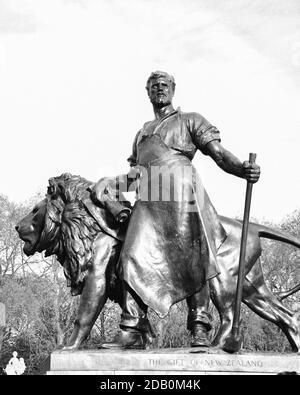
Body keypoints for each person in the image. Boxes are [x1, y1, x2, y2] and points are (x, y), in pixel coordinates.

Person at [93, 71, 260, 349]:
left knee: (195, 258)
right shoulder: (142, 133)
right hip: (149, 200)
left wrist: (242, 169)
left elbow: (218, 154)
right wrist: (112, 183)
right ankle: (132, 328)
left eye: (164, 85)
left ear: (173, 90)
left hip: (184, 194)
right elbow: (135, 175)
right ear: (147, 93)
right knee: (131, 255)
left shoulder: (189, 120)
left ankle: (199, 327)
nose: (159, 89)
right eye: (154, 86)